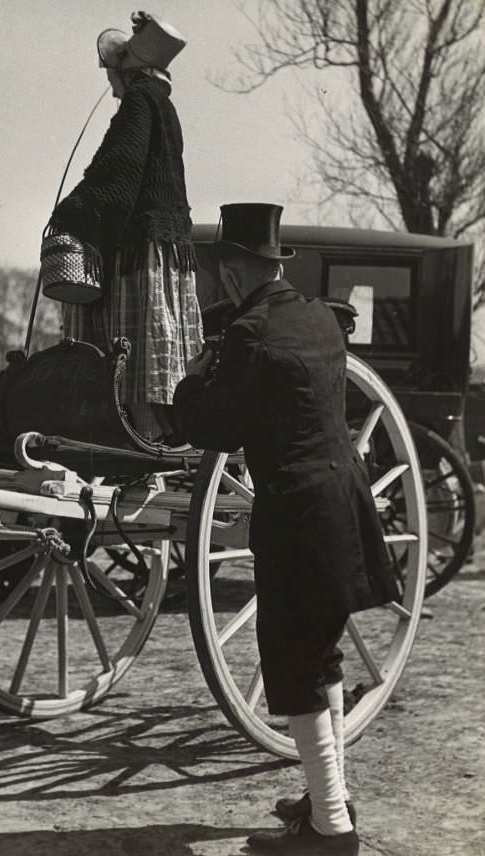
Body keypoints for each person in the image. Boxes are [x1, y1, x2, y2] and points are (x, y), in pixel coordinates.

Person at [173, 203, 399, 856]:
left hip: (298, 517)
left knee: (297, 669)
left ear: (236, 271)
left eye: (220, 271)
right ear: (274, 265)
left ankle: (332, 832)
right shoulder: (321, 319)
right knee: (320, 656)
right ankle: (330, 803)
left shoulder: (247, 333)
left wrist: (190, 381)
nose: (218, 283)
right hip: (345, 504)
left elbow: (213, 428)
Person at [47, 11, 203, 442]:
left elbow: (120, 172)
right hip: (166, 251)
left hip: (141, 256)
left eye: (111, 73)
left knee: (129, 358)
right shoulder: (163, 105)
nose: (109, 85)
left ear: (127, 71)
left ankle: (142, 439)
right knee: (156, 353)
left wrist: (71, 210)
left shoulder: (138, 101)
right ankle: (157, 429)